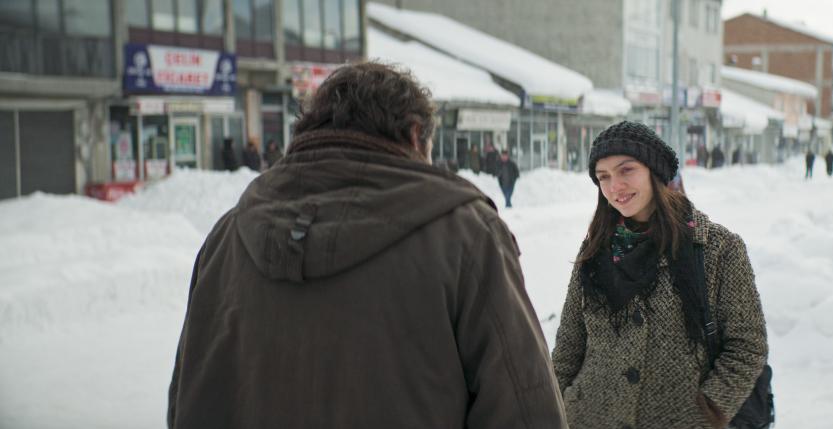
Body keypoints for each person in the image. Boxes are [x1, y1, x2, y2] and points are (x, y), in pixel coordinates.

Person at [168, 62, 567, 428]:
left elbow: (187, 400)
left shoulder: (225, 239)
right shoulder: (465, 236)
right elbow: (528, 412)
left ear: (308, 131)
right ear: (415, 137)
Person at [551, 121, 768, 429]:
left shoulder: (717, 249)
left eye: (626, 170)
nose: (614, 187)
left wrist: (707, 412)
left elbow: (747, 347)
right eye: (604, 177)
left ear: (654, 171)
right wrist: (557, 406)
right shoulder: (595, 250)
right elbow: (569, 348)